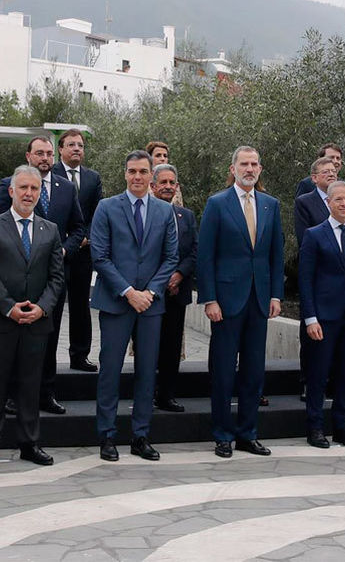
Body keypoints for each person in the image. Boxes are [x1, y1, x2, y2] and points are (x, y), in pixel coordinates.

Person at [0, 166, 65, 467]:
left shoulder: (50, 230)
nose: (28, 193)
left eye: (34, 189)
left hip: (37, 322)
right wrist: (9, 307)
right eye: (23, 188)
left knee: (30, 385)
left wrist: (43, 308)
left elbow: (57, 277)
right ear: (11, 191)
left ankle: (29, 443)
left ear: (40, 194)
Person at [90, 151, 179, 462]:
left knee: (147, 372)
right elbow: (100, 256)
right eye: (132, 171)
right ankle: (106, 436)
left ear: (151, 175)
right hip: (117, 302)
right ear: (125, 173)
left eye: (143, 171)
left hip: (150, 305)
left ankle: (141, 436)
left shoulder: (165, 211)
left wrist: (150, 292)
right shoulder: (106, 207)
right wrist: (129, 292)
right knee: (110, 370)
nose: (137, 177)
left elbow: (171, 257)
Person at [197, 145, 284, 458]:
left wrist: (276, 294)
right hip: (226, 301)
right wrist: (209, 299)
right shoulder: (217, 203)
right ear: (233, 169)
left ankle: (248, 433)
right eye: (244, 164)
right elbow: (205, 255)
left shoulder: (271, 205)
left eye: (254, 164)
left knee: (253, 371)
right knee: (223, 371)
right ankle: (222, 435)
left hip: (259, 300)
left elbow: (276, 254)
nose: (250, 169)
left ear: (260, 169)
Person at [0, 136, 86, 414]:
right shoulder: (9, 184)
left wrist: (63, 250)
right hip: (17, 276)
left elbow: (78, 228)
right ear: (28, 156)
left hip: (53, 277)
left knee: (49, 337)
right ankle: (12, 395)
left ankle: (46, 394)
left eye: (49, 153)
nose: (45, 158)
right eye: (39, 153)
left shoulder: (66, 188)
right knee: (16, 338)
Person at [297, 181, 345, 449]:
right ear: (328, 202)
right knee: (318, 375)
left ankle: (342, 427)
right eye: (339, 199)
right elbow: (305, 280)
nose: (344, 204)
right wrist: (310, 318)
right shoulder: (314, 235)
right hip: (323, 317)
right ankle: (315, 428)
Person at [53, 128, 103, 373]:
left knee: (81, 306)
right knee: (52, 305)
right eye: (71, 144)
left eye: (80, 145)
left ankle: (80, 356)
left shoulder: (93, 178)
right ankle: (46, 357)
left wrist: (86, 237)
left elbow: (97, 212)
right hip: (55, 252)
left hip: (83, 252)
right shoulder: (49, 174)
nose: (76, 149)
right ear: (60, 149)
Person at [151, 163, 197, 412]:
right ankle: (147, 392)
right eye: (163, 182)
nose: (168, 187)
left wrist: (178, 275)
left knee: (171, 347)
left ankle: (167, 395)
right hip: (150, 293)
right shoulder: (146, 212)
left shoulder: (186, 216)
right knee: (149, 347)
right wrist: (162, 279)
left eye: (172, 183)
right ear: (153, 186)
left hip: (177, 293)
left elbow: (194, 250)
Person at [293, 157, 340, 247]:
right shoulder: (304, 202)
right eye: (326, 172)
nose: (331, 174)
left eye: (334, 171)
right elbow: (304, 238)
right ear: (314, 178)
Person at [147, 141, 183, 207]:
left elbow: (179, 207)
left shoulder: (173, 183)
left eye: (165, 156)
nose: (163, 159)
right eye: (158, 155)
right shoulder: (142, 181)